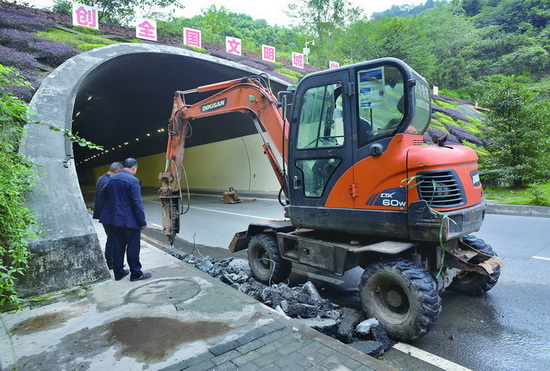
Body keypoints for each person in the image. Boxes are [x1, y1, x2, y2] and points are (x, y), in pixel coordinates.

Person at [99, 158, 151, 281]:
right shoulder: (133, 180)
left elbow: (102, 194)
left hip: (114, 220)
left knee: (118, 246)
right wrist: (142, 222)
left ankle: (119, 273)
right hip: (130, 220)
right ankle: (136, 274)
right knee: (133, 247)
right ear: (134, 168)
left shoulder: (112, 178)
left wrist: (113, 205)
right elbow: (137, 203)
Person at [93, 161, 123, 269]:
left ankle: (112, 261)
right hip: (109, 216)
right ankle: (111, 262)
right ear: (116, 171)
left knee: (111, 237)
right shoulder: (109, 181)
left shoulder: (101, 178)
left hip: (104, 215)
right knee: (112, 238)